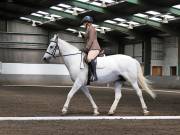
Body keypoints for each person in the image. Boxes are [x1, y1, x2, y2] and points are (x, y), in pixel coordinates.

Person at [81, 16, 101, 83]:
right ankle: (88, 76)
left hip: (94, 48)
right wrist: (84, 36)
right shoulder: (88, 29)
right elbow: (87, 37)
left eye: (84, 23)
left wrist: (86, 48)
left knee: (89, 58)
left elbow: (91, 39)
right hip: (91, 48)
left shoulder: (92, 29)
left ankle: (95, 75)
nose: (83, 24)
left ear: (88, 23)